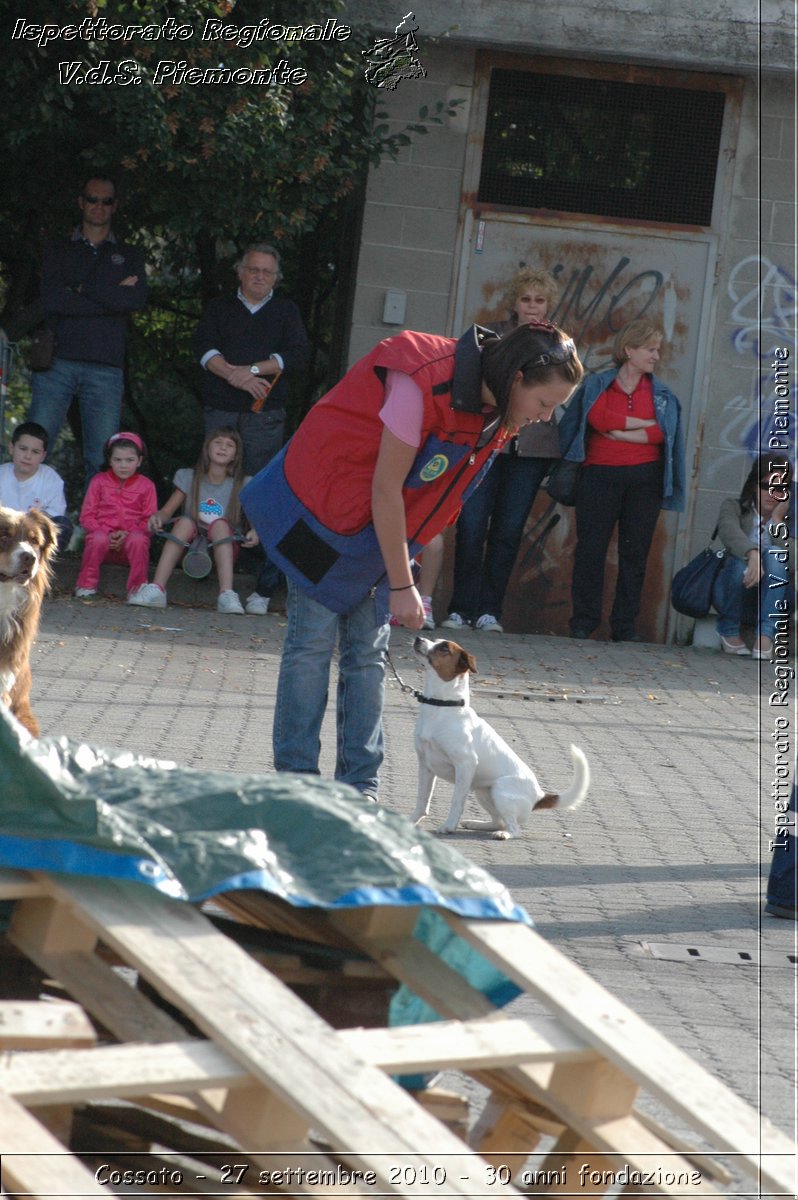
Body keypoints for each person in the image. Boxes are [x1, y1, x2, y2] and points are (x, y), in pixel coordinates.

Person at [241, 321, 584, 801]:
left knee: (367, 657)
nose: (546, 417)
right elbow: (386, 488)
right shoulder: (419, 376)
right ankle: (295, 786)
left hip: (379, 533)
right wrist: (405, 587)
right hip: (320, 517)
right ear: (517, 378)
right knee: (311, 648)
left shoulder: (499, 412)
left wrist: (403, 572)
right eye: (544, 404)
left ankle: (360, 787)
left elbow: (435, 493)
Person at [192, 243, 309, 615]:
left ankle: (260, 575)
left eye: (267, 272)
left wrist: (252, 371)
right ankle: (204, 559)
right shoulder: (219, 308)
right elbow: (203, 348)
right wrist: (235, 377)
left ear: (276, 277)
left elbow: (298, 355)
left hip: (265, 415)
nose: (259, 276)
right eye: (253, 269)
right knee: (215, 480)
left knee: (258, 486)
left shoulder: (286, 311)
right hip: (221, 410)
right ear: (240, 271)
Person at [444, 267, 561, 632]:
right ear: (514, 302)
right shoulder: (491, 334)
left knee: (509, 530)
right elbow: (467, 380)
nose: (532, 307)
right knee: (472, 525)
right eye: (526, 300)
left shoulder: (559, 342)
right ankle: (459, 610)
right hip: (485, 440)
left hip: (531, 448)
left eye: (539, 300)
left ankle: (489, 611)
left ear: (548, 304)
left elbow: (560, 392)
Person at [555, 317, 685, 642]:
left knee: (635, 553)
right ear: (629, 350)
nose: (656, 356)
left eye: (657, 350)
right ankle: (584, 621)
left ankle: (624, 626)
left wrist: (626, 433)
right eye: (650, 349)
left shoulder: (662, 394)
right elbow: (597, 418)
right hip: (598, 477)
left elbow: (664, 431)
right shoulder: (598, 384)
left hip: (645, 482)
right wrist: (644, 426)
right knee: (591, 550)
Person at [28, 176, 147, 487]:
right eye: (92, 199)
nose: (98, 206)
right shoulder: (57, 249)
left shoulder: (130, 253)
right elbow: (53, 300)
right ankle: (15, 528)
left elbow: (135, 300)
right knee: (33, 449)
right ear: (81, 202)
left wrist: (79, 291)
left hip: (106, 367)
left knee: (104, 459)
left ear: (115, 206)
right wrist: (111, 294)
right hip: (57, 362)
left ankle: (102, 532)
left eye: (105, 200)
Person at [128, 426, 259, 616]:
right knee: (184, 522)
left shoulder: (243, 482)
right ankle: (157, 589)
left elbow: (254, 517)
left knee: (220, 524)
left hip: (223, 550)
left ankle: (227, 594)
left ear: (235, 455)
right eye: (218, 442)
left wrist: (255, 530)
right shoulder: (189, 477)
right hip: (191, 551)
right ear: (207, 448)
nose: (223, 448)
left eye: (229, 445)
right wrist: (157, 517)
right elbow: (167, 511)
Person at [713, 452, 793, 658]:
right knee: (740, 561)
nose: (771, 494)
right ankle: (728, 629)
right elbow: (729, 534)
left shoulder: (790, 519)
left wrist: (776, 520)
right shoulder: (734, 507)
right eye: (766, 486)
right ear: (754, 485)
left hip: (774, 597)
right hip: (733, 591)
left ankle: (765, 636)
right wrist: (752, 553)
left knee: (776, 554)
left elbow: (792, 561)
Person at [74, 432, 156, 599]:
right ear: (109, 460)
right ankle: (86, 586)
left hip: (130, 545)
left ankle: (138, 589)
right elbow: (87, 516)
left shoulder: (147, 486)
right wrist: (105, 533)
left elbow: (149, 520)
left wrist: (128, 534)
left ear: (139, 461)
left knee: (139, 539)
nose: (123, 465)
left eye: (129, 460)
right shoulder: (98, 481)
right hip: (102, 542)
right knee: (96, 538)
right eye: (118, 460)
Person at [0, 421, 73, 553]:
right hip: (6, 533)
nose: (28, 456)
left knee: (63, 524)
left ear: (43, 456)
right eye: (23, 449)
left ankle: (45, 563)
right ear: (11, 448)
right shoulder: (1, 474)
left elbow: (56, 514)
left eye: (35, 452)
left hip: (34, 534)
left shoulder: (52, 479)